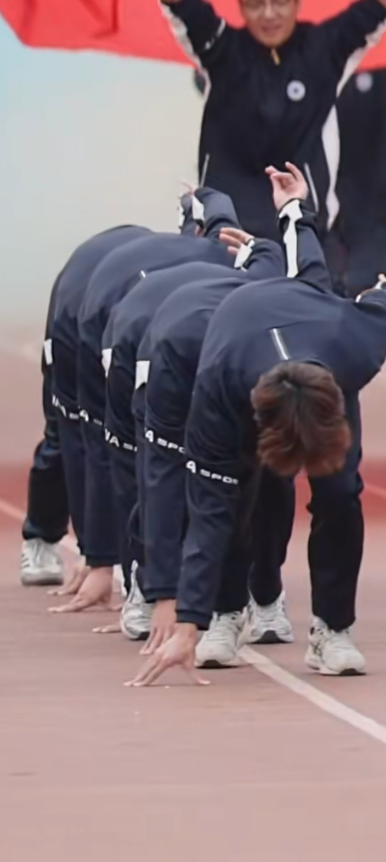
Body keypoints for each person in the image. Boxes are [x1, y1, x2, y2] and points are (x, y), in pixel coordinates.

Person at [133, 170, 386, 685]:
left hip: (314, 336)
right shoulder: (218, 383)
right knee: (232, 495)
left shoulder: (357, 344)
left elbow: (370, 298)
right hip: (242, 337)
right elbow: (207, 512)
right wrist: (187, 620)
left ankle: (333, 629)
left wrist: (296, 210)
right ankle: (226, 612)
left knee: (341, 494)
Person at [140, 0, 386, 268]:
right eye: (256, 4)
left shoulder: (327, 49)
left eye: (280, 1)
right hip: (226, 246)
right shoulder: (219, 49)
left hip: (305, 243)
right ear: (240, 4)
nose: (269, 14)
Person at [41, 193, 245, 615]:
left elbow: (218, 208)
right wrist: (100, 558)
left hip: (165, 311)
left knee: (193, 450)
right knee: (97, 439)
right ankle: (118, 570)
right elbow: (97, 450)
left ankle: (239, 590)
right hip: (89, 304)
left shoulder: (231, 267)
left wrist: (199, 196)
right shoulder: (102, 327)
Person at [83, 195, 266, 641]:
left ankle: (248, 598)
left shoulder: (250, 289)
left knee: (233, 474)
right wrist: (162, 591)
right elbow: (156, 477)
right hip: (143, 343)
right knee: (149, 468)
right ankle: (143, 585)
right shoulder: (145, 346)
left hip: (209, 340)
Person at [21, 223, 155, 587]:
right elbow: (88, 446)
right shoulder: (90, 321)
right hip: (77, 307)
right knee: (68, 432)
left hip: (132, 304)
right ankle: (40, 535)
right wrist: (96, 555)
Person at [332, 66, 386, 291]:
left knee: (368, 288)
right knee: (335, 289)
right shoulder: (323, 65)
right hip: (335, 206)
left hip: (376, 206)